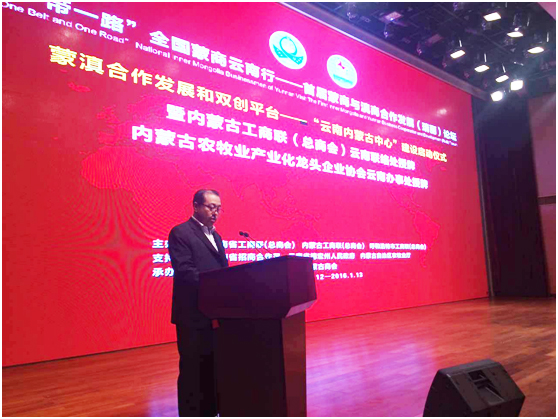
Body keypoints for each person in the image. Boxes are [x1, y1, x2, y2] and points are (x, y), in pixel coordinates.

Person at [168, 189, 228, 417]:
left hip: (214, 314)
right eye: (211, 207)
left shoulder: (217, 237)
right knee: (192, 369)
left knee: (212, 366)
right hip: (192, 314)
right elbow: (185, 271)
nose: (215, 212)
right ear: (195, 206)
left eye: (218, 208)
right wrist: (215, 286)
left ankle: (211, 411)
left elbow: (223, 271)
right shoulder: (181, 233)